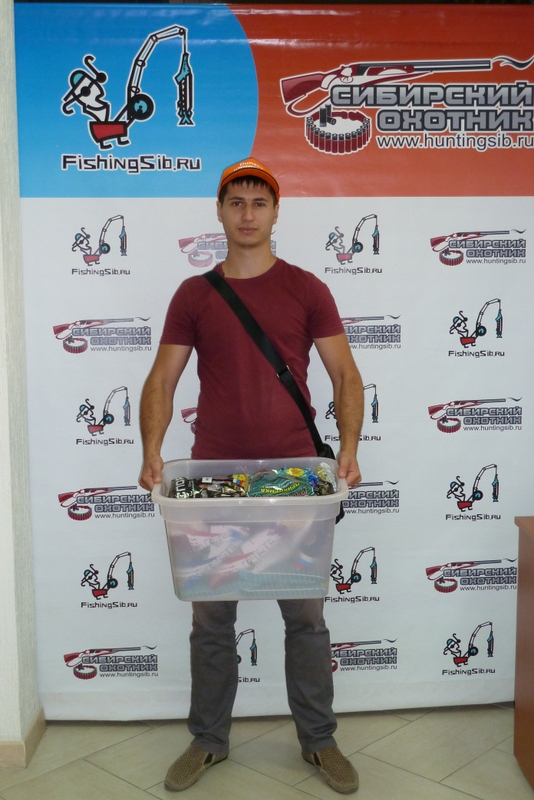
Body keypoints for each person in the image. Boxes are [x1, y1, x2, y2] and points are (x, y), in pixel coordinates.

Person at [139, 157, 364, 794]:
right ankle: (208, 740)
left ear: (275, 212)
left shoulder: (307, 289)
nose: (246, 214)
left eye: (258, 202)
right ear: (219, 211)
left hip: (295, 481)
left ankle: (319, 741)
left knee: (306, 619)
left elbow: (346, 375)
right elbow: (162, 379)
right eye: (235, 202)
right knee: (211, 621)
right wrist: (151, 451)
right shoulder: (194, 295)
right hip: (213, 480)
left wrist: (348, 450)